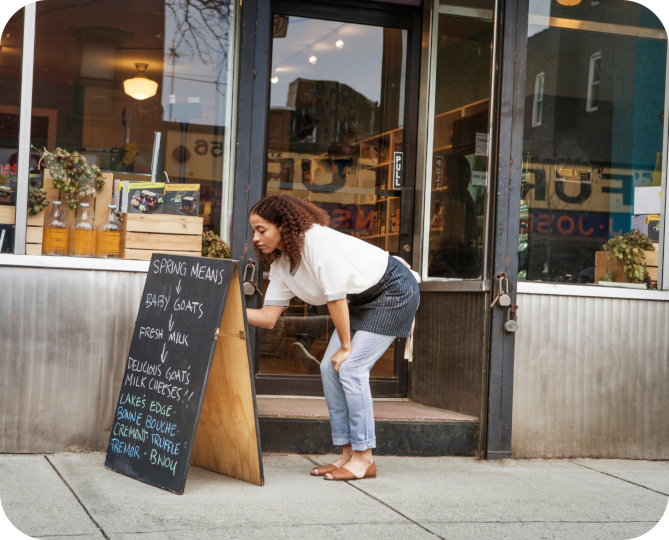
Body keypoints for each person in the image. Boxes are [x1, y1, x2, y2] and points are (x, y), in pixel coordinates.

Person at [246, 194, 419, 481]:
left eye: (261, 230)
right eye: (254, 231)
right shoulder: (281, 266)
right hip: (361, 300)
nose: (255, 238)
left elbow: (336, 297)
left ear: (283, 226)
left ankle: (365, 459)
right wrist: (222, 312)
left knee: (351, 367)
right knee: (328, 366)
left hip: (394, 289)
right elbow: (267, 318)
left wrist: (347, 346)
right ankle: (348, 454)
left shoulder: (316, 240)